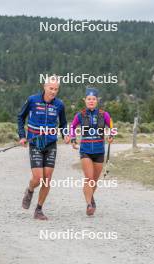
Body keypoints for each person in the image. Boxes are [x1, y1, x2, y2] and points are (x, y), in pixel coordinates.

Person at [17, 75, 70, 220]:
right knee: (38, 178)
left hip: (51, 143)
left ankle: (38, 209)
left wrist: (65, 134)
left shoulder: (59, 104)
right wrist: (22, 135)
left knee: (47, 179)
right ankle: (30, 189)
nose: (53, 91)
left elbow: (63, 124)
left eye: (56, 89)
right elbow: (20, 117)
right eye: (51, 88)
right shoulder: (32, 100)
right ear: (44, 87)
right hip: (35, 142)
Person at [70, 87, 114, 216]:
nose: (91, 101)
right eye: (89, 99)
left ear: (97, 100)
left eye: (93, 99)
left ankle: (90, 198)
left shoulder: (104, 114)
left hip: (99, 151)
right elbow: (72, 127)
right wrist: (73, 139)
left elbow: (111, 126)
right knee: (89, 178)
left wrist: (111, 135)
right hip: (85, 151)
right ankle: (90, 204)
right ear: (85, 100)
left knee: (94, 180)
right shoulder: (80, 115)